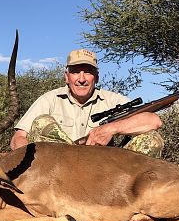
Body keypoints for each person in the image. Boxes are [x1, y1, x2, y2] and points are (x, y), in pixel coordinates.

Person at [11, 49, 163, 157]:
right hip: (58, 169)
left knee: (152, 139)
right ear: (66, 76)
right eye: (76, 71)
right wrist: (34, 160)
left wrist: (111, 128)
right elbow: (18, 137)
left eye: (88, 72)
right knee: (42, 121)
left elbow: (153, 121)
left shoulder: (112, 100)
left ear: (96, 77)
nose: (82, 79)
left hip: (104, 168)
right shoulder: (49, 99)